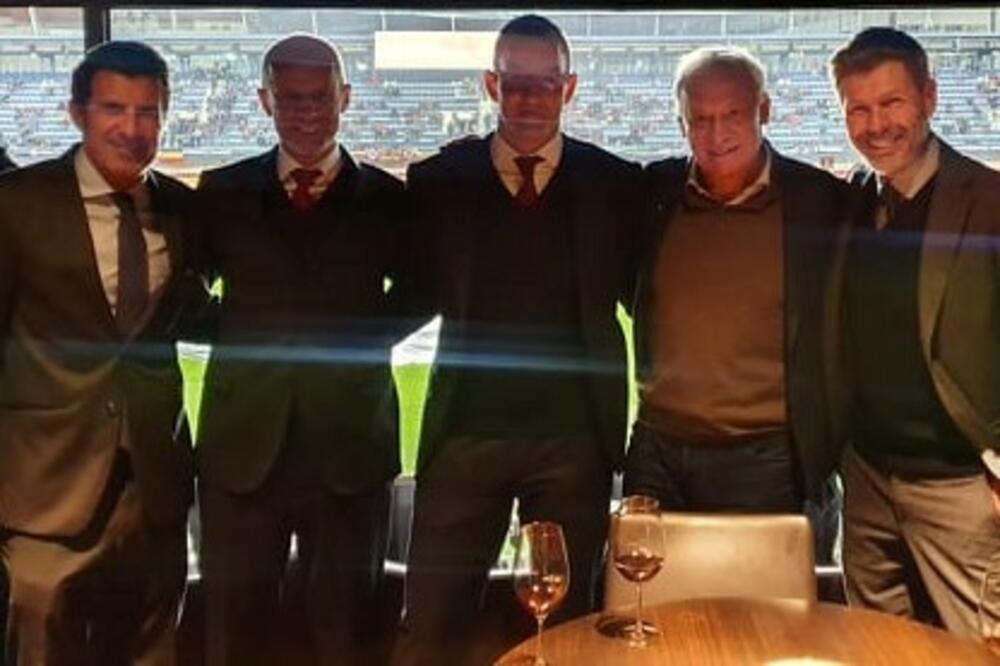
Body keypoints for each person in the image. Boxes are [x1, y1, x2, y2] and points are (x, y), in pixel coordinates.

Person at [395, 14, 641, 665]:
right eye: (516, 84)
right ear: (490, 85)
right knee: (431, 624)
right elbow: (406, 295)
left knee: (564, 630)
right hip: (463, 438)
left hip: (573, 444)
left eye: (546, 83)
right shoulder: (439, 181)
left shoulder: (615, 184)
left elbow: (649, 300)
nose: (531, 99)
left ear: (570, 88)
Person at [194, 34, 408, 666]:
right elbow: (181, 287)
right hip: (242, 445)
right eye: (290, 99)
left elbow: (424, 289)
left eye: (320, 98)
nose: (306, 112)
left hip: (351, 445)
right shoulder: (221, 192)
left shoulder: (389, 200)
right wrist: (243, 333)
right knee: (233, 630)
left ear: (346, 97)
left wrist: (355, 340)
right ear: (265, 100)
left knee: (345, 632)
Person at [0, 41, 198, 665]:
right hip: (44, 495)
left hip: (155, 491)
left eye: (148, 112)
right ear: (76, 113)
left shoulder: (182, 208)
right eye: (114, 108)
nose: (132, 128)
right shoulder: (15, 205)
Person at [624, 47, 848, 549]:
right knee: (642, 590)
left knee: (762, 596)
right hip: (657, 450)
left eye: (732, 114)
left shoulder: (818, 200)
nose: (716, 133)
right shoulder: (654, 192)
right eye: (700, 119)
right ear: (681, 124)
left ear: (763, 110)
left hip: (769, 459)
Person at [830, 27, 1000, 636]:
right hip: (867, 479)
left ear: (929, 96)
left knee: (978, 650)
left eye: (892, 102)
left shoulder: (988, 200)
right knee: (876, 647)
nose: (876, 125)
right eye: (858, 109)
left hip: (960, 487)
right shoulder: (856, 198)